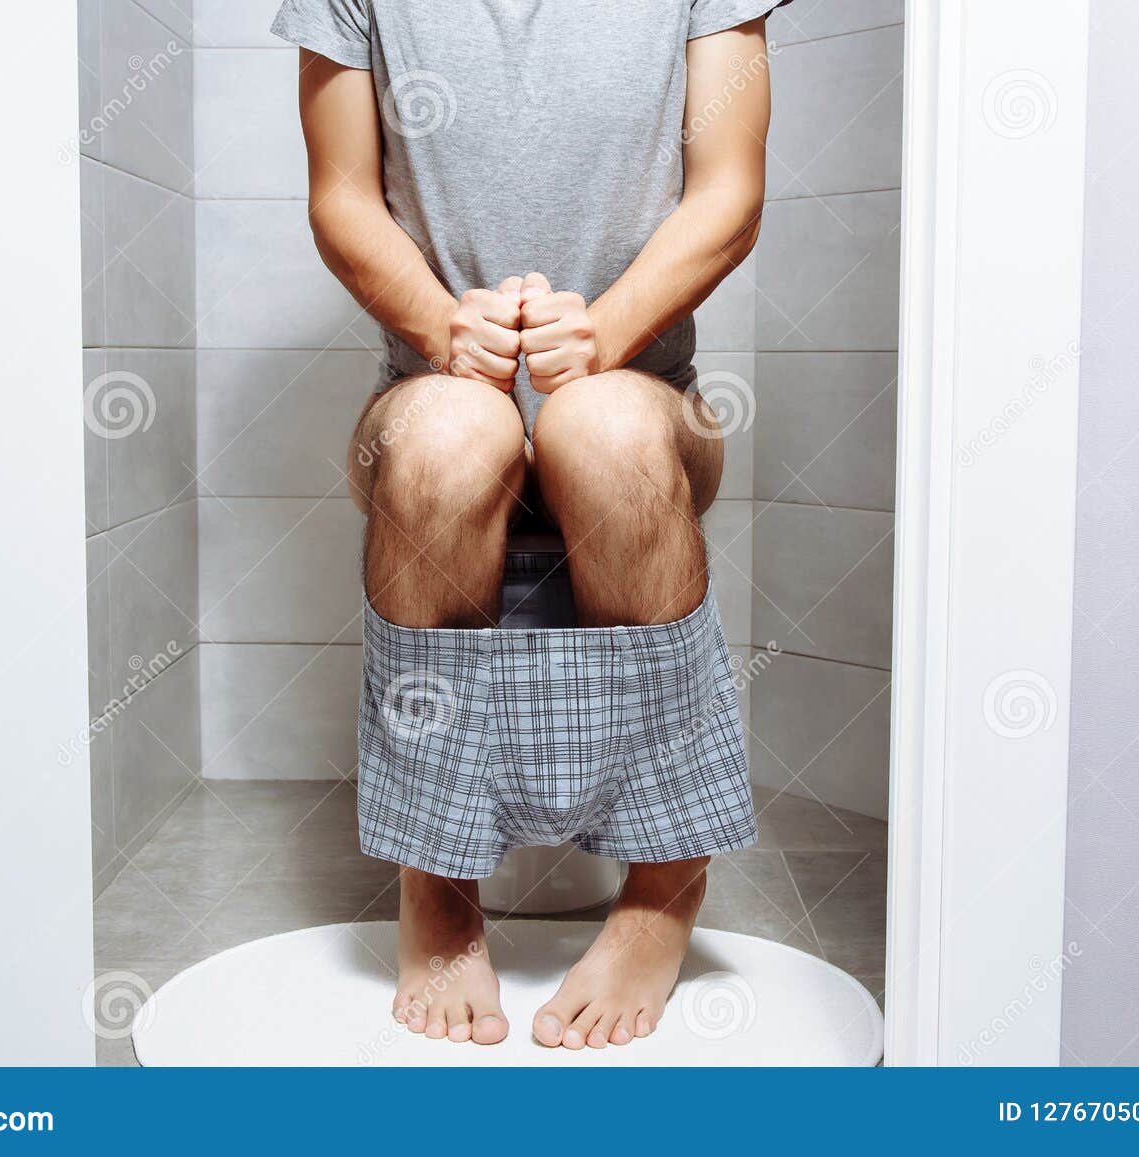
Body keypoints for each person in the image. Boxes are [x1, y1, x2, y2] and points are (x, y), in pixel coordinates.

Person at [274, 0, 783, 1050]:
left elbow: (727, 192)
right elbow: (342, 198)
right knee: (452, 437)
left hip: (645, 393)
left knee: (599, 427)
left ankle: (661, 883)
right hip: (436, 390)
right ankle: (437, 878)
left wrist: (605, 334)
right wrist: (440, 328)